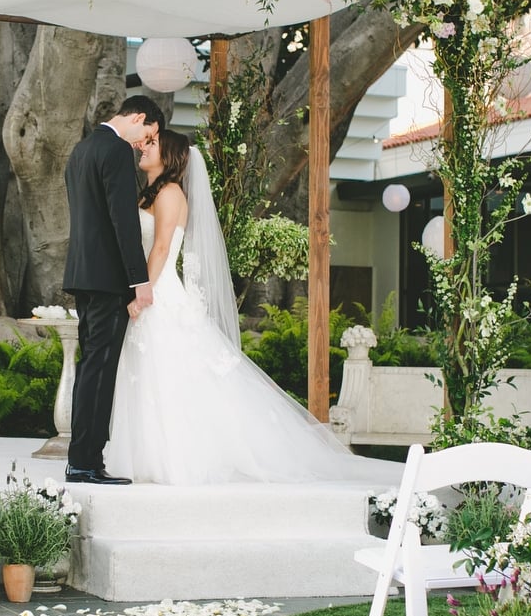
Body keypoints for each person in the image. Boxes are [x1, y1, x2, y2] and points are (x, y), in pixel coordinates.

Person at [105, 128, 403, 486]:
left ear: (168, 156)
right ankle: (146, 455)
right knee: (151, 373)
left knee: (166, 373)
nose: (143, 148)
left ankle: (174, 456)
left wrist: (143, 292)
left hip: (159, 291)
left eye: (151, 144)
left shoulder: (169, 193)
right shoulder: (149, 194)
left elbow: (162, 249)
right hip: (152, 289)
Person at [62, 94, 165, 485]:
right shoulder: (118, 151)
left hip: (83, 274)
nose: (143, 144)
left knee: (91, 367)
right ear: (137, 117)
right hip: (108, 280)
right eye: (147, 134)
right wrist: (139, 281)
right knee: (99, 370)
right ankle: (86, 462)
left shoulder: (82, 149)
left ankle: (82, 459)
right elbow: (124, 222)